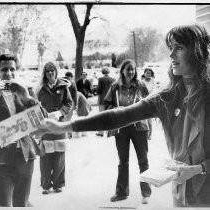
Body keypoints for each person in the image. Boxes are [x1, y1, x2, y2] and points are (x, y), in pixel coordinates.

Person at [36, 24, 210, 207]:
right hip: (182, 195)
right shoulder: (168, 96)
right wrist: (65, 126)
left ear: (197, 52)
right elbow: (120, 115)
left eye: (179, 48)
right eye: (171, 48)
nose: (171, 55)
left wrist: (201, 168)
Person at [103, 60, 151, 204]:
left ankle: (146, 192)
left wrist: (150, 127)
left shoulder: (142, 86)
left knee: (143, 160)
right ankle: (121, 192)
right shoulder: (115, 87)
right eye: (128, 69)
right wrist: (114, 110)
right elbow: (106, 105)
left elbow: (150, 104)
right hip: (121, 128)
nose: (131, 72)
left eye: (133, 69)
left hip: (139, 128)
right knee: (123, 161)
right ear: (122, 70)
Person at [0, 54, 40, 207]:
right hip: (2, 160)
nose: (9, 73)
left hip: (25, 157)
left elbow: (40, 120)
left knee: (21, 203)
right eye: (4, 69)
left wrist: (27, 97)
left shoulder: (25, 90)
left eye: (12, 69)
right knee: (3, 204)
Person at [37, 62, 73, 194]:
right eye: (48, 71)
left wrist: (59, 113)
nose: (50, 73)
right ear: (45, 74)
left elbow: (69, 103)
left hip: (59, 124)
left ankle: (58, 184)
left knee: (59, 155)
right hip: (46, 125)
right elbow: (35, 106)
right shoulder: (40, 89)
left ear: (56, 72)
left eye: (52, 71)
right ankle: (46, 185)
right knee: (45, 155)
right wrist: (45, 115)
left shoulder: (63, 87)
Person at [96, 67, 115, 137]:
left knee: (101, 116)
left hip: (102, 99)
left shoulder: (100, 79)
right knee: (110, 116)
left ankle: (101, 132)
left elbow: (98, 90)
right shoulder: (113, 79)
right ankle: (110, 132)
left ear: (102, 72)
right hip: (110, 100)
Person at [141, 68, 156, 140]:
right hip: (143, 102)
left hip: (151, 101)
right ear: (144, 74)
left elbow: (155, 91)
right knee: (144, 119)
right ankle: (145, 134)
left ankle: (150, 135)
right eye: (147, 73)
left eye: (150, 73)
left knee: (150, 120)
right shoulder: (142, 82)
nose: (148, 74)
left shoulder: (153, 81)